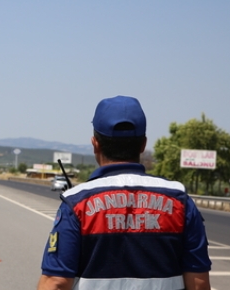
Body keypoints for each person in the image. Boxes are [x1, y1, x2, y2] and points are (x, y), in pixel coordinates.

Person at [37, 96, 211, 290]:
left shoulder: (77, 203)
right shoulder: (180, 201)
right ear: (143, 144)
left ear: (95, 144)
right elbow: (199, 283)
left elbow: (56, 283)